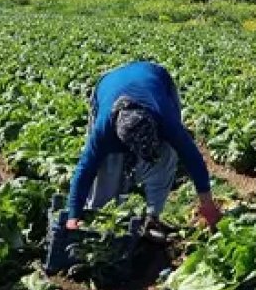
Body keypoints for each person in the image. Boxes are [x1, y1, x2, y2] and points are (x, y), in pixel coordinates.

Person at [65, 61, 219, 234]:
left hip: (156, 78)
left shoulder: (166, 119)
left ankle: (152, 218)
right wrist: (73, 216)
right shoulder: (104, 132)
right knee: (106, 169)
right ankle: (99, 216)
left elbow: (192, 158)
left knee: (167, 156)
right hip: (108, 83)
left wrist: (207, 203)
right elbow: (85, 170)